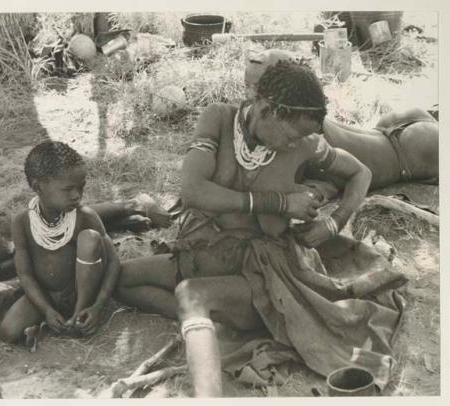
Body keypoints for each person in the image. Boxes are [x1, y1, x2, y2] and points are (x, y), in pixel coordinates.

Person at [116, 61, 405, 396]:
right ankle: (214, 326)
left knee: (190, 295)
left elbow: (361, 173)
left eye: (300, 137)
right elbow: (193, 191)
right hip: (202, 252)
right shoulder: (219, 120)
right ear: (268, 109)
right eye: (291, 133)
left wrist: (333, 222)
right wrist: (280, 203)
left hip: (263, 274)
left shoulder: (305, 144)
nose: (293, 142)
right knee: (121, 278)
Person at [246, 48, 439, 190]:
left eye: (254, 89)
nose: (251, 95)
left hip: (409, 154)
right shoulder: (304, 111)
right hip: (392, 130)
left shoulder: (291, 130)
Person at [0, 141, 122, 342]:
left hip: (80, 293)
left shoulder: (85, 217)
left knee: (89, 239)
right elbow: (25, 274)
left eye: (81, 187)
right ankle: (54, 319)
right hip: (46, 295)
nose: (77, 195)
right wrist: (46, 309)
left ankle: (79, 313)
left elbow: (114, 262)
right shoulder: (21, 222)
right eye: (68, 189)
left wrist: (97, 306)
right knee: (8, 332)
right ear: (38, 186)